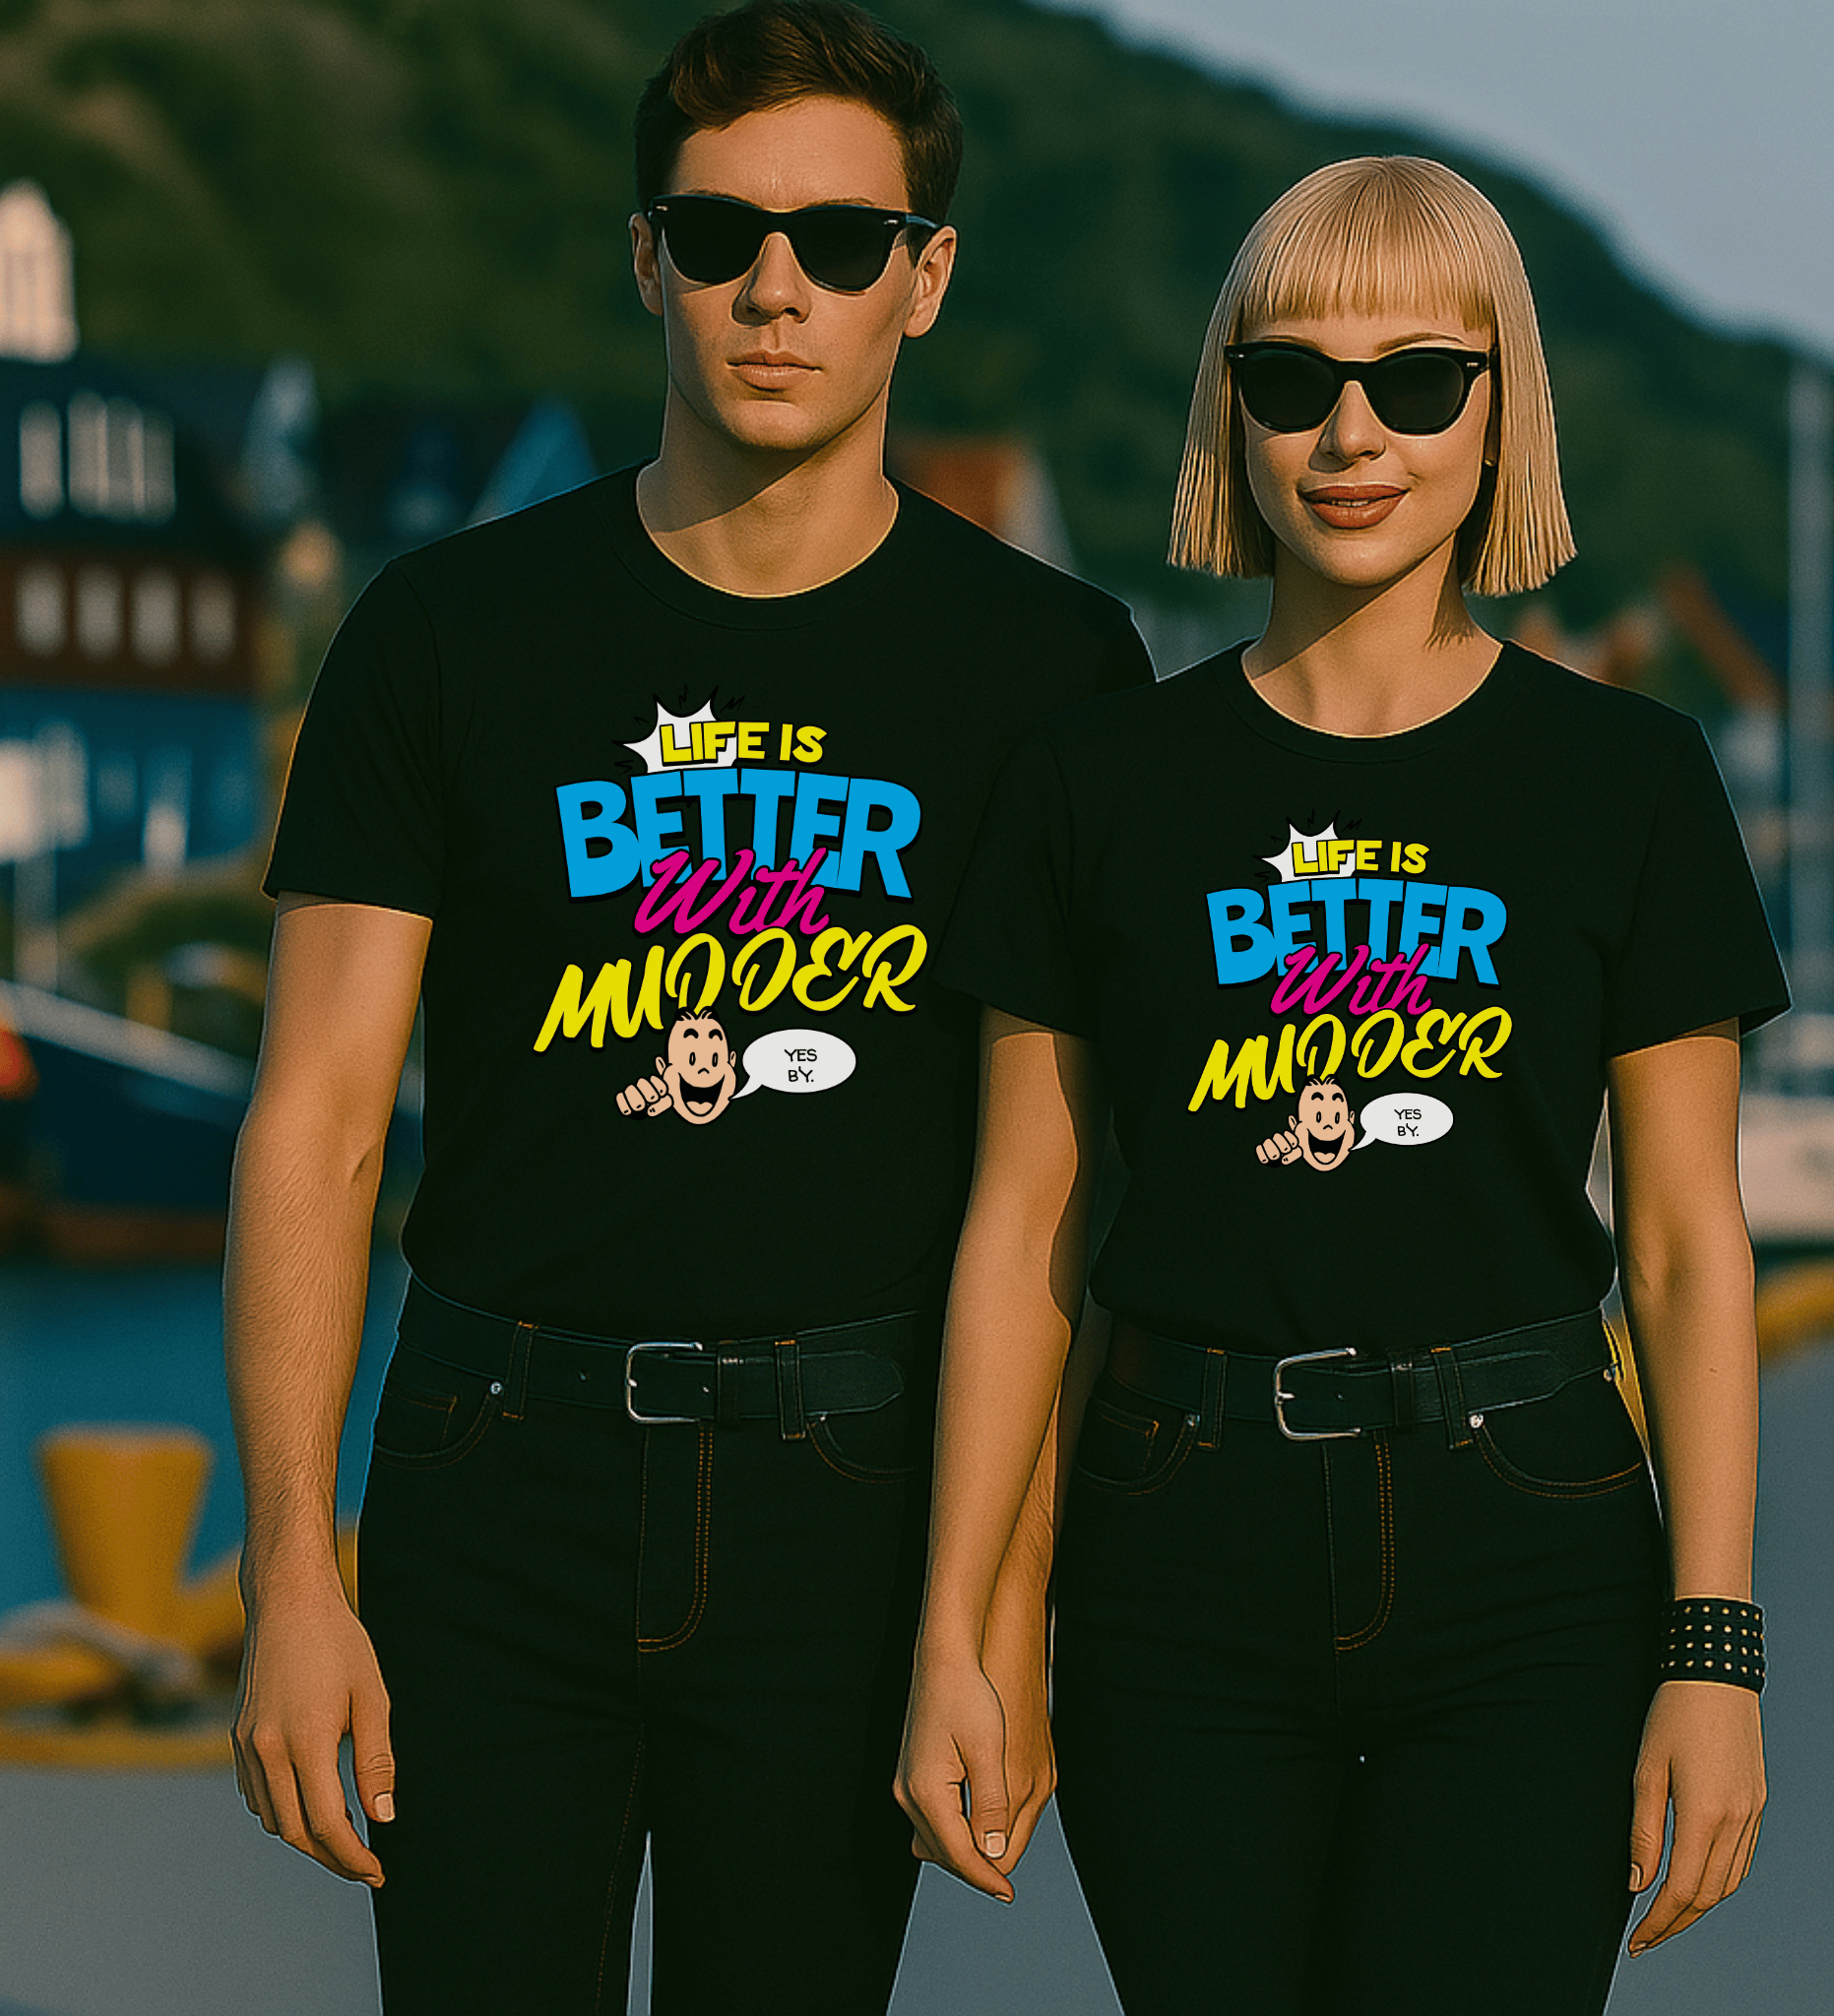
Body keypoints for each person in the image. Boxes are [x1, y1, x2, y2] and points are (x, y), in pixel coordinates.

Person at [222, 4, 1148, 2010]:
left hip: (850, 1497)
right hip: (492, 1476)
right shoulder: (443, 634)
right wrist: (292, 1570)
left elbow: (1046, 1198)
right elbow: (317, 1118)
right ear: (647, 258)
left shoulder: (1051, 671)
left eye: (836, 241)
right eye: (721, 236)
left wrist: (992, 1614)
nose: (775, 289)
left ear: (927, 277)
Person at [899, 155, 1787, 2014]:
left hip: (1529, 1549)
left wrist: (1713, 1651)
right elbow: (1027, 1230)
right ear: (1233, 409)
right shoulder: (1097, 785)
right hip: (1176, 1554)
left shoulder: (1627, 780)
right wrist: (962, 1635)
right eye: (1293, 381)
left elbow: (1693, 1250)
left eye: (1417, 381)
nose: (1351, 432)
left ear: (1501, 406)